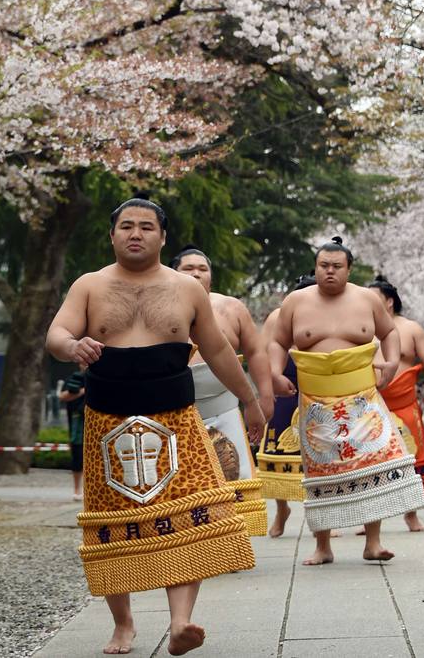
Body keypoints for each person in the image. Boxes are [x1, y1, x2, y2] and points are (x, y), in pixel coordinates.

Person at [46, 198, 265, 656]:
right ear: (112, 235)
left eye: (147, 227)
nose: (136, 234)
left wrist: (248, 400)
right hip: (108, 420)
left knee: (193, 517)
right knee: (112, 525)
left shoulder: (187, 289)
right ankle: (122, 625)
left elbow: (220, 351)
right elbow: (56, 335)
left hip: (177, 418)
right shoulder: (89, 285)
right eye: (126, 226)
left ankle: (181, 622)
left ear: (163, 237)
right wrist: (73, 347)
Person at [269, 236, 424, 566]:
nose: (329, 272)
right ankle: (323, 546)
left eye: (336, 267)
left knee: (373, 464)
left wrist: (393, 361)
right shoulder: (296, 302)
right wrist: (274, 373)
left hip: (361, 396)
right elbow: (277, 341)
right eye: (323, 266)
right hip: (315, 399)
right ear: (315, 267)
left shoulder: (366, 298)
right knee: (321, 472)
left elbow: (390, 333)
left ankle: (373, 542)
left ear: (349, 269)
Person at [171, 245, 271, 537]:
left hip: (224, 404)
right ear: (173, 273)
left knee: (231, 471)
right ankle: (191, 539)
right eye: (188, 269)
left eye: (202, 269)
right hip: (176, 407)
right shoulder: (158, 305)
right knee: (184, 481)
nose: (196, 274)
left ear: (211, 277)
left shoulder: (231, 307)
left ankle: (234, 538)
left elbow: (256, 351)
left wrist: (263, 395)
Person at [367, 276, 424, 530]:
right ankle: (371, 518)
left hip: (404, 400)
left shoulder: (411, 328)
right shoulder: (362, 328)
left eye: (374, 297)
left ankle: (411, 513)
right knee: (369, 459)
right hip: (370, 401)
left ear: (389, 301)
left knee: (414, 456)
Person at [256, 274, 316, 538]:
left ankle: (324, 517)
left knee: (321, 456)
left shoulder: (327, 316)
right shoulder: (277, 318)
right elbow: (262, 355)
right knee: (276, 451)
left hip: (318, 388)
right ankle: (281, 510)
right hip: (284, 387)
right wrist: (268, 387)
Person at [58, 369, 86, 501]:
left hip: (100, 422)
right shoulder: (76, 377)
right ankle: (77, 490)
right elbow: (63, 396)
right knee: (78, 457)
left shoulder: (104, 373)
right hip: (78, 422)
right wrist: (84, 391)